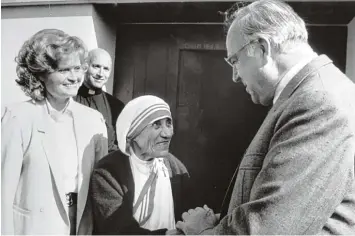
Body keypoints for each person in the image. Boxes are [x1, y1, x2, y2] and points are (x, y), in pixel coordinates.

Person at [175, 0, 355, 234]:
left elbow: (271, 228)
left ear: (262, 47)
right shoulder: (313, 92)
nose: (234, 76)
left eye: (234, 60)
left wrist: (201, 232)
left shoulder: (317, 102)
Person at [1, 29, 108, 235]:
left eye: (78, 68)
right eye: (65, 70)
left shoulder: (93, 120)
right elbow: (2, 193)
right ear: (41, 73)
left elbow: (99, 188)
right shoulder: (19, 117)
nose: (74, 77)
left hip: (81, 226)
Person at [90, 95, 190, 235]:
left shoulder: (174, 167)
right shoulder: (108, 172)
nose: (167, 133)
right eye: (156, 125)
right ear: (133, 133)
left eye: (168, 123)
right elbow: (117, 230)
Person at [75, 48, 124, 153]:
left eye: (106, 69)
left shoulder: (116, 106)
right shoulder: (70, 98)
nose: (101, 74)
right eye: (96, 66)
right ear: (85, 67)